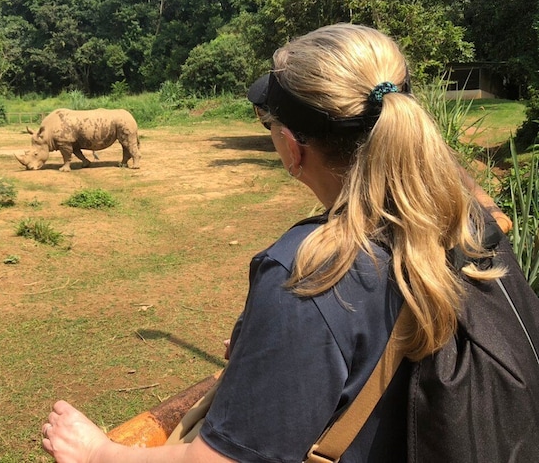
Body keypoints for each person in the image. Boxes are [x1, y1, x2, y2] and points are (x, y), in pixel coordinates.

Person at [41, 23, 507, 463]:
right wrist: (288, 346)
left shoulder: (311, 275)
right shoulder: (468, 219)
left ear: (290, 146)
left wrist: (98, 452)